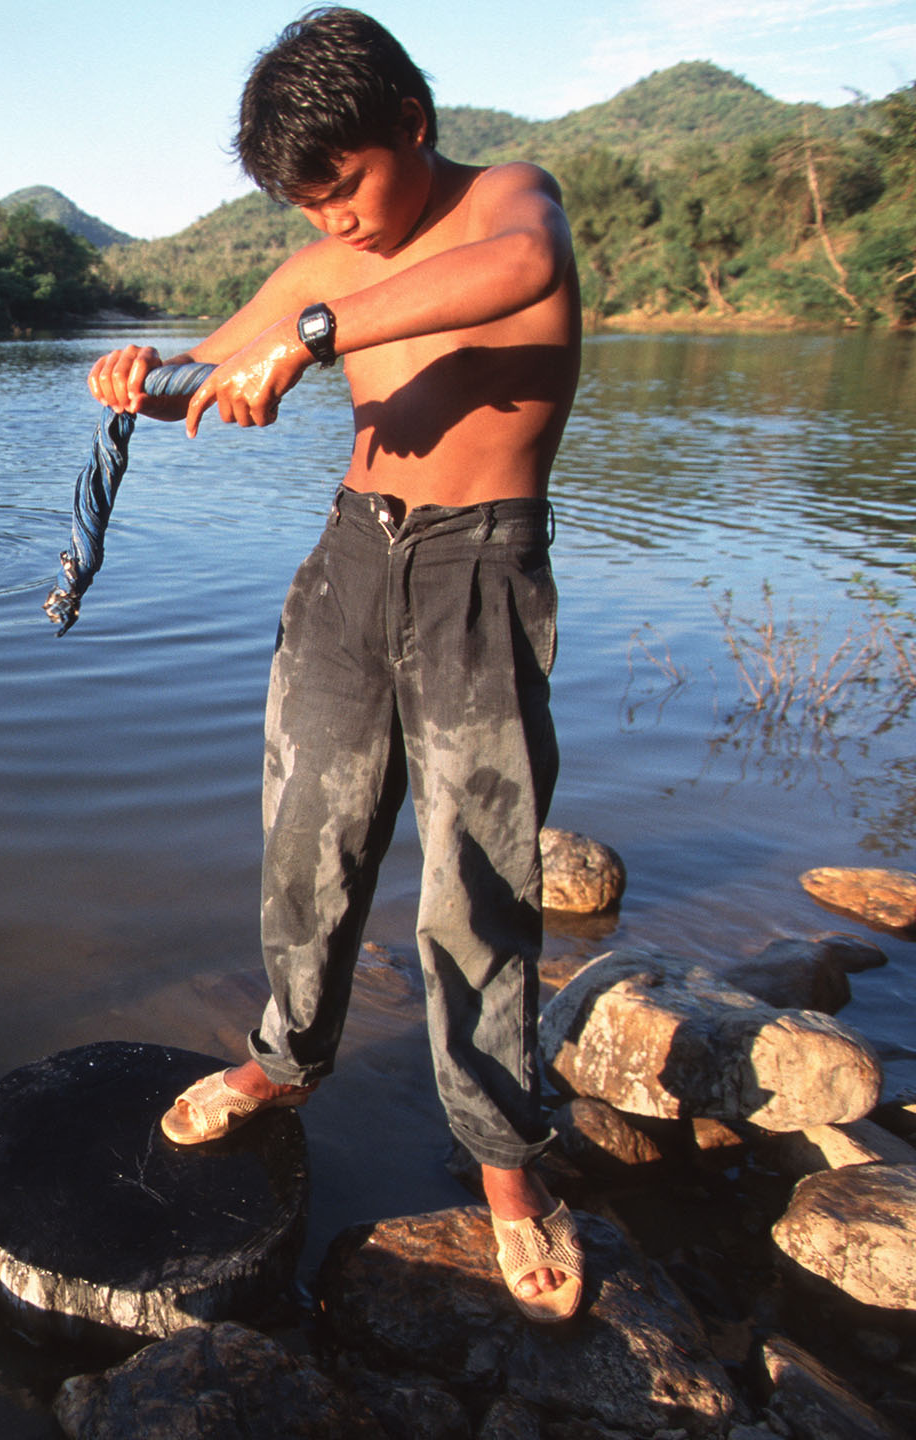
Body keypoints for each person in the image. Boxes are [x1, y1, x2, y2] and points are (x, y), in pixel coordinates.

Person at [86, 6, 584, 1322]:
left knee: (476, 883)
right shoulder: (327, 258)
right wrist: (146, 378)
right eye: (311, 205)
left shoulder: (507, 203)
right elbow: (217, 368)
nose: (338, 223)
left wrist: (307, 339)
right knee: (309, 838)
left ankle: (504, 1163)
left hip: (480, 570)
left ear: (409, 126)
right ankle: (286, 1062)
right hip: (350, 565)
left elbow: (515, 272)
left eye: (345, 186)